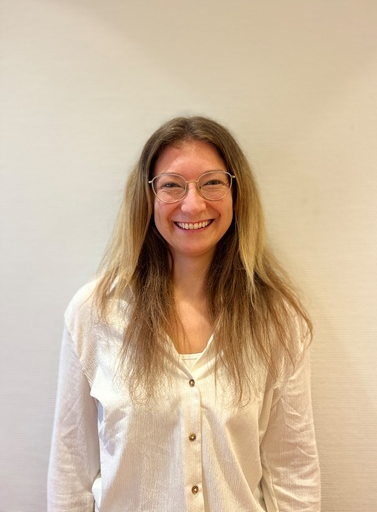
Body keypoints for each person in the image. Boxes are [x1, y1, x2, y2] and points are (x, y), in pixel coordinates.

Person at [48, 116, 321, 511]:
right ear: (147, 197)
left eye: (212, 182)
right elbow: (70, 474)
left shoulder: (276, 320)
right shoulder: (95, 313)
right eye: (172, 185)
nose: (193, 204)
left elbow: (293, 472)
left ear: (236, 193)